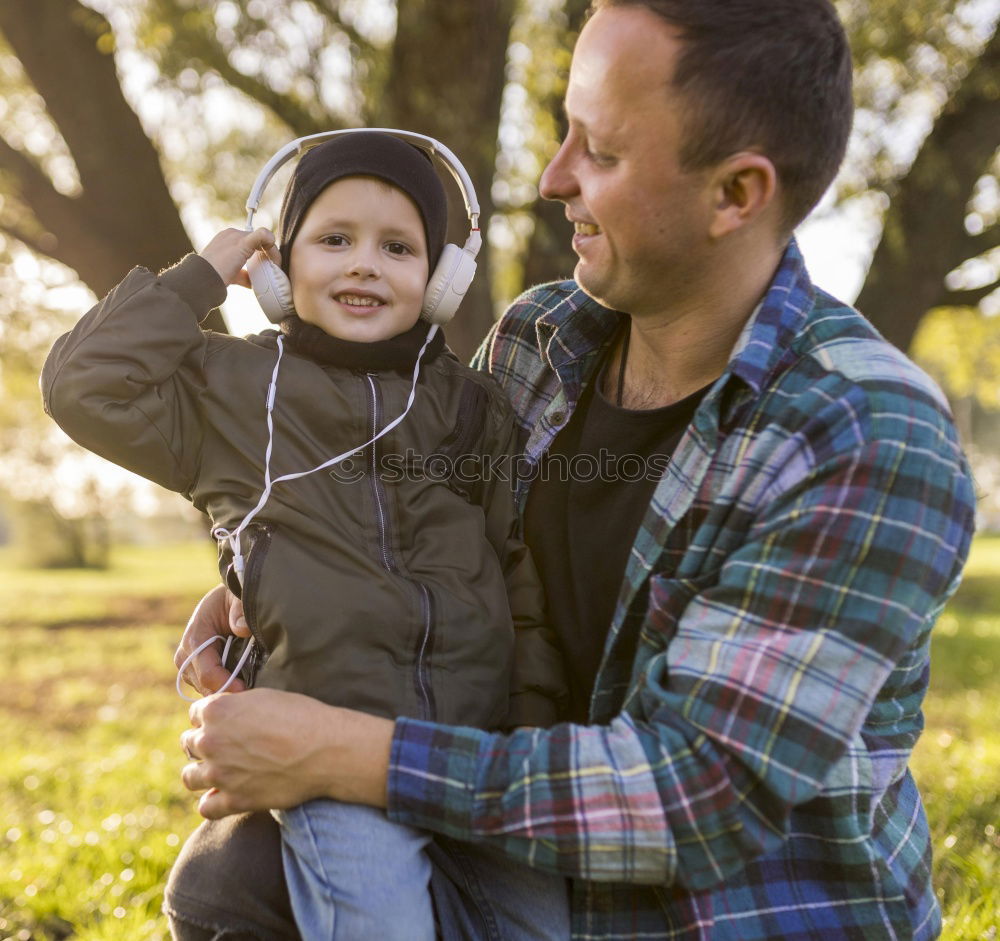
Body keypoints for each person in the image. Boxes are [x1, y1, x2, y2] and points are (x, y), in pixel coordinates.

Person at [166, 1, 977, 939]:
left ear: (736, 194)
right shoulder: (533, 346)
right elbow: (418, 532)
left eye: (600, 150)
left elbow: (695, 799)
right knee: (235, 875)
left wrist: (349, 751)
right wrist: (287, 582)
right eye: (563, 131)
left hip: (721, 916)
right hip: (524, 875)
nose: (553, 178)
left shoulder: (868, 434)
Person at [40, 131, 570, 940]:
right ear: (278, 269)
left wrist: (529, 727)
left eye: (398, 246)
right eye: (333, 240)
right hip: (323, 758)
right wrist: (199, 277)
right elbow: (84, 385)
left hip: (471, 759)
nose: (364, 264)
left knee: (541, 926)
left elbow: (512, 574)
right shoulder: (227, 388)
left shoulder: (471, 407)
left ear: (442, 278)